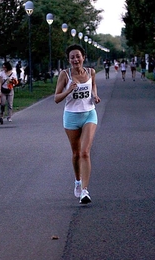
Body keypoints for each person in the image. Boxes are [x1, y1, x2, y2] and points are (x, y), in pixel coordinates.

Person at [54, 44, 101, 204]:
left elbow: (93, 85)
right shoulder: (64, 75)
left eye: (78, 56)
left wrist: (95, 96)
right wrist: (69, 90)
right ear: (69, 60)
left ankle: (85, 191)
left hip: (89, 113)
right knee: (75, 153)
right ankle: (77, 181)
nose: (75, 59)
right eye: (72, 57)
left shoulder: (91, 72)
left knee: (85, 152)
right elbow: (56, 98)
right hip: (71, 117)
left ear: (83, 57)